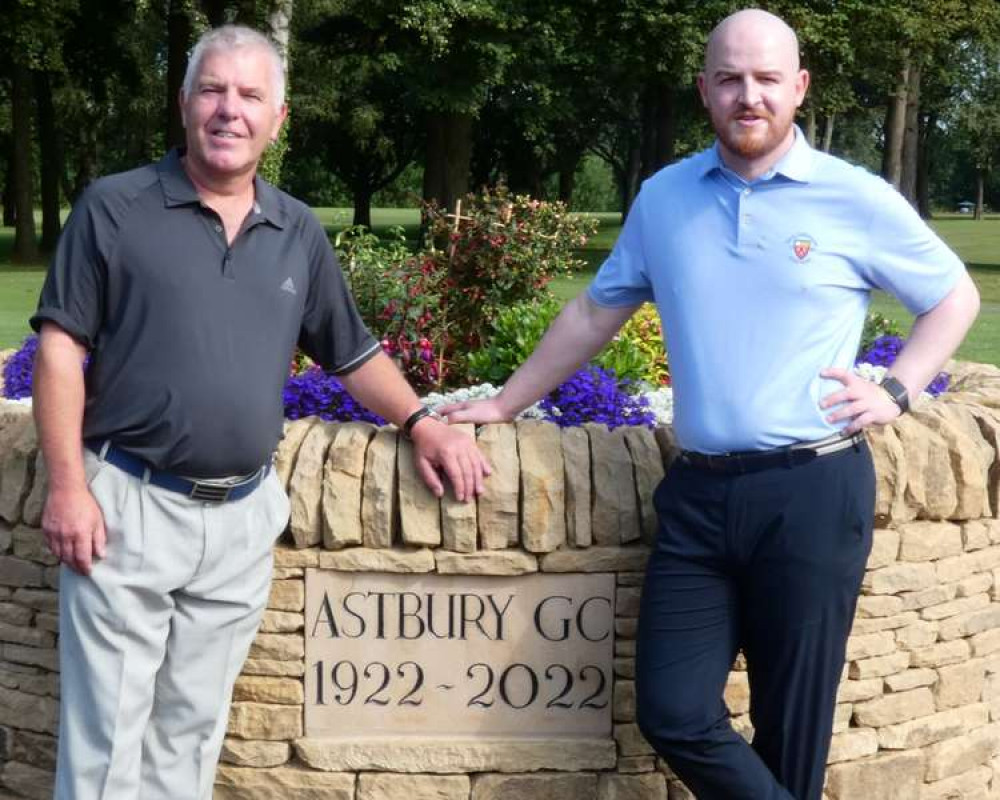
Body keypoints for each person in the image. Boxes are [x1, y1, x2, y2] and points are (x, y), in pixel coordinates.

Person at [442, 8, 979, 800]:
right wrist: (507, 401)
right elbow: (596, 311)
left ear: (798, 88)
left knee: (791, 726)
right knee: (672, 709)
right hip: (697, 496)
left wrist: (897, 389)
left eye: (766, 79)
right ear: (704, 90)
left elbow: (954, 297)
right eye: (729, 79)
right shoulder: (665, 199)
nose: (748, 96)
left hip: (814, 491)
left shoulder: (852, 197)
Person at [32, 24, 489, 800]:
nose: (228, 110)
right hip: (128, 509)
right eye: (212, 90)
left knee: (192, 733)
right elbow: (57, 351)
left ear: (279, 120)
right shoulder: (114, 208)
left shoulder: (297, 229)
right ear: (183, 104)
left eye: (250, 96)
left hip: (241, 519)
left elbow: (352, 352)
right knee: (106, 743)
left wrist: (421, 421)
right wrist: (68, 486)